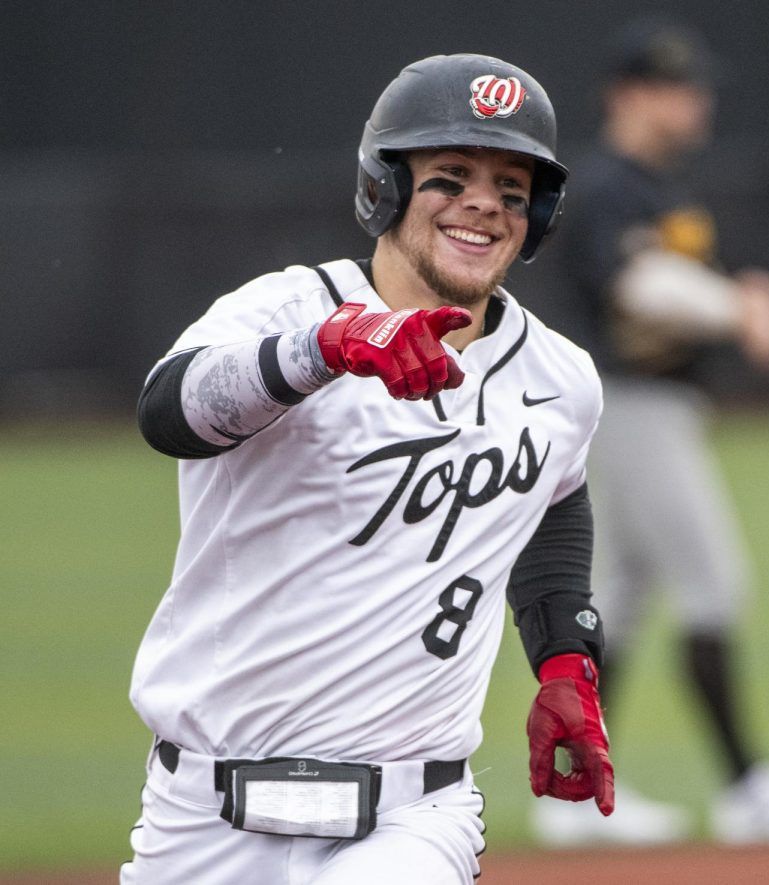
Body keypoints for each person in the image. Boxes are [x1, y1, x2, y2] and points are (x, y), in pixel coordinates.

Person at [123, 53, 614, 884]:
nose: (483, 204)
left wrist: (565, 656)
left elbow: (553, 496)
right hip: (203, 814)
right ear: (383, 188)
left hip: (414, 815)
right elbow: (170, 412)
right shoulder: (281, 310)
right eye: (449, 175)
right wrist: (325, 349)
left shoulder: (559, 378)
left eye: (511, 185)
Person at [529, 20, 769, 847]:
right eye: (679, 87)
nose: (697, 101)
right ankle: (750, 787)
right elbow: (636, 285)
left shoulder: (665, 185)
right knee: (713, 582)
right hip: (633, 403)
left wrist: (745, 291)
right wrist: (737, 307)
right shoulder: (606, 184)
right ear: (630, 95)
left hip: (659, 403)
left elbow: (680, 277)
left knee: (621, 603)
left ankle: (570, 793)